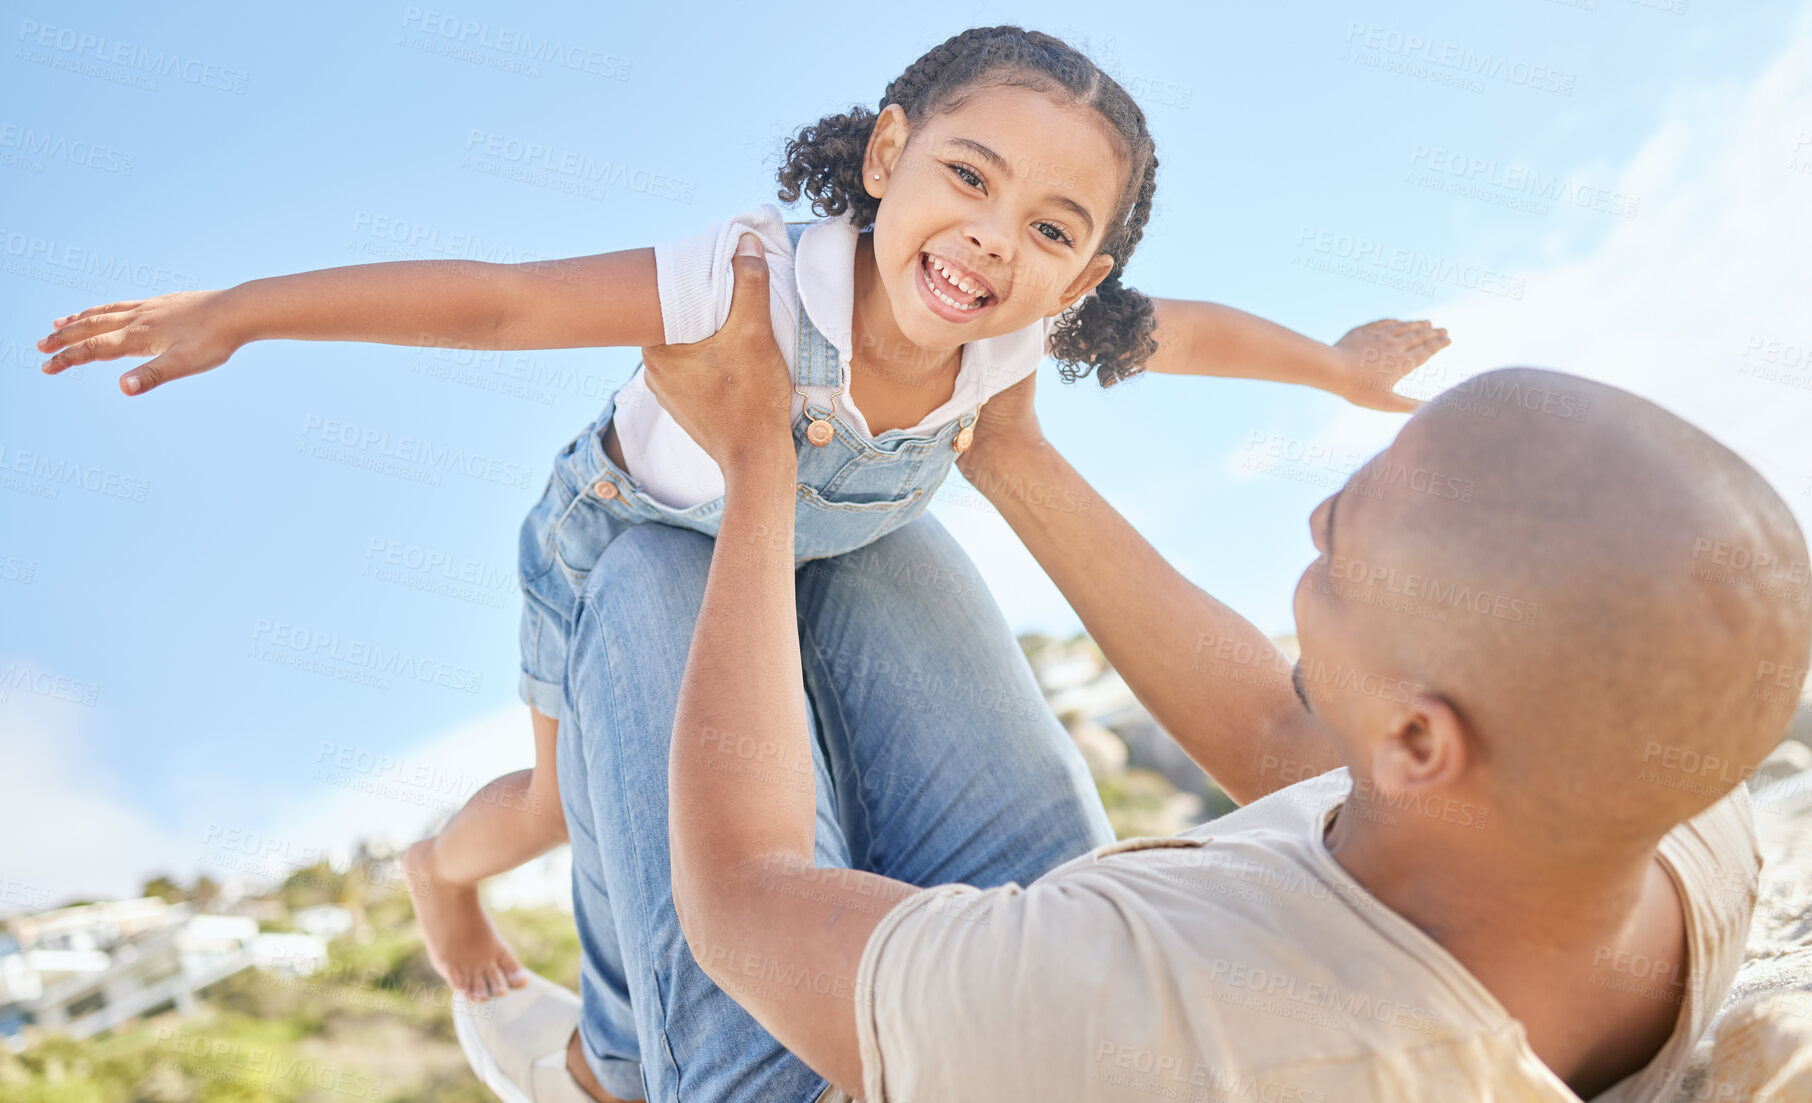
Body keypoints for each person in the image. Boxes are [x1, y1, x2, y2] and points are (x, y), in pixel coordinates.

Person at [32, 23, 1448, 1009]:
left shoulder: (1017, 342)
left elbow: (1190, 333)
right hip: (626, 534)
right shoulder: (750, 277)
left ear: (1081, 278)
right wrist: (243, 313)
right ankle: (435, 870)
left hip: (827, 546)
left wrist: (1335, 363)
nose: (994, 241)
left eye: (1055, 229)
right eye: (970, 176)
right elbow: (504, 298)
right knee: (552, 803)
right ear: (888, 152)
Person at [528, 238, 1804, 1103]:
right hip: (1079, 983)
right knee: (874, 543)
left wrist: (758, 455)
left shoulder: (1239, 1037)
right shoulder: (1664, 799)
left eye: (1345, 550)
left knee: (649, 566)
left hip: (916, 1046)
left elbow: (747, 904)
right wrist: (1004, 446)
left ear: (1423, 740)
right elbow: (1278, 737)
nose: (1313, 529)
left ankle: (623, 1061)